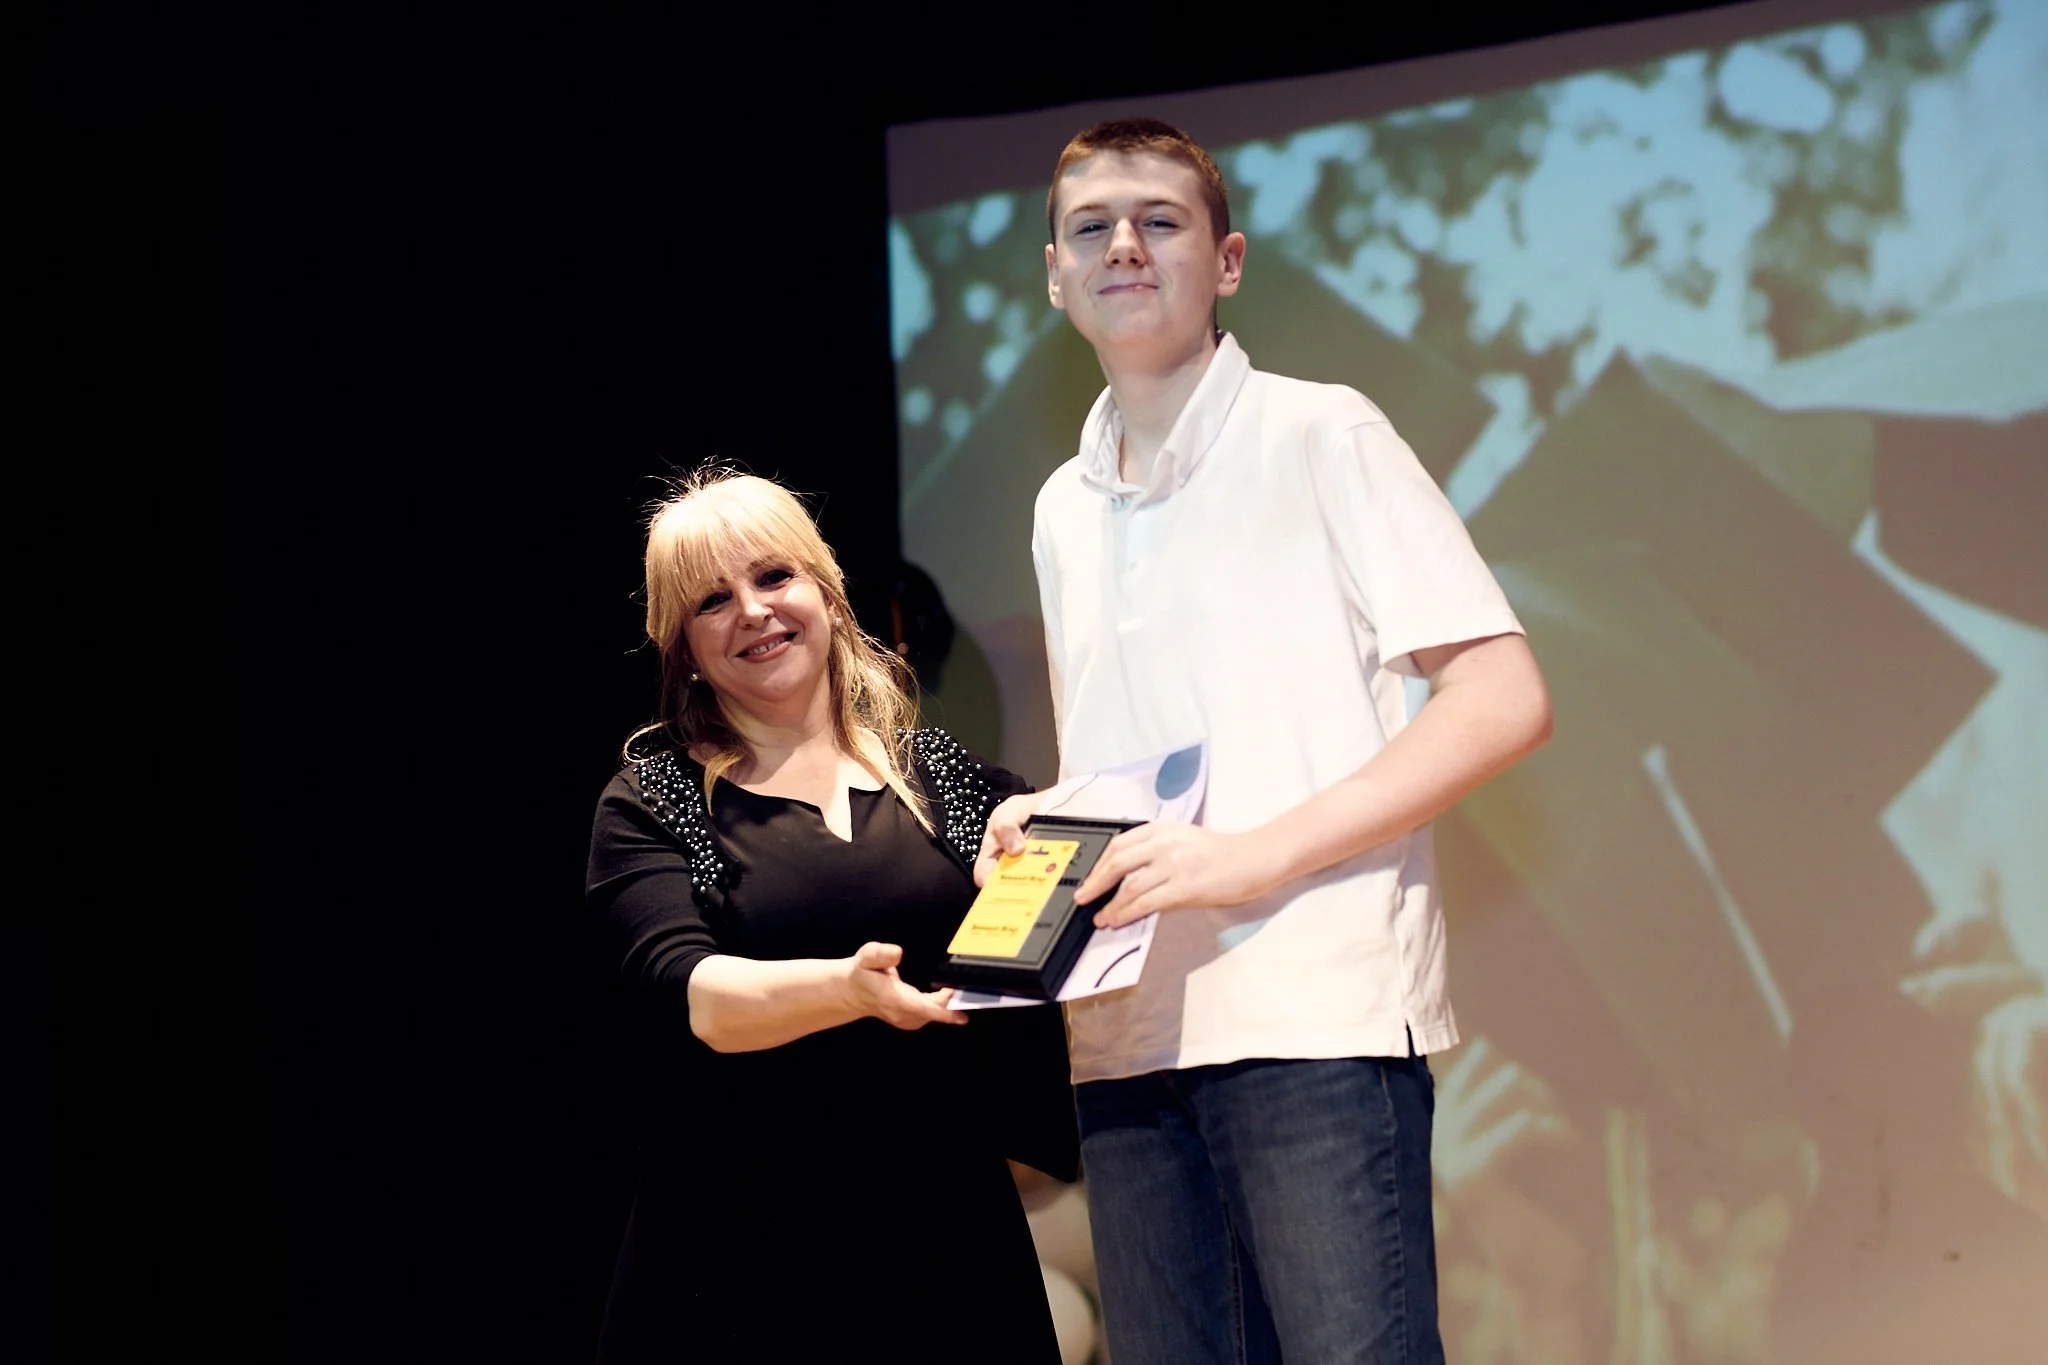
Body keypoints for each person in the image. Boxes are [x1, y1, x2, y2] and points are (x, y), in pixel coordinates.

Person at [977, 118, 1556, 1365]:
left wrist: (1247, 857)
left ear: (1227, 261)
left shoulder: (1319, 433)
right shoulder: (1060, 505)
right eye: (1090, 228)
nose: (1122, 246)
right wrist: (1049, 824)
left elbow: (1501, 695)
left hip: (1310, 1018)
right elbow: (1144, 748)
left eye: (1159, 220)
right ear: (1053, 275)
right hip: (1124, 1033)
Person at [585, 470, 1077, 1363]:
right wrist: (848, 989)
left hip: (949, 1241)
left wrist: (1042, 831)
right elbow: (699, 997)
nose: (753, 611)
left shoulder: (940, 775)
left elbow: (1052, 903)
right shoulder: (652, 799)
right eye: (711, 600)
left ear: (826, 591)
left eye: (774, 576)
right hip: (744, 1259)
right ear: (683, 647)